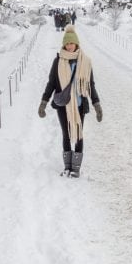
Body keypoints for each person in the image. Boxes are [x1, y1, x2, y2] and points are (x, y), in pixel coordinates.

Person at [38, 25, 102, 176]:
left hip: (80, 105)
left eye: (72, 43)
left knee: (78, 134)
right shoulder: (58, 61)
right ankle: (67, 167)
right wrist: (43, 102)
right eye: (67, 43)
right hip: (63, 105)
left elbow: (90, 85)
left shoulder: (85, 61)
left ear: (77, 43)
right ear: (64, 45)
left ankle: (76, 169)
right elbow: (51, 83)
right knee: (66, 134)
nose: (69, 46)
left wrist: (96, 104)